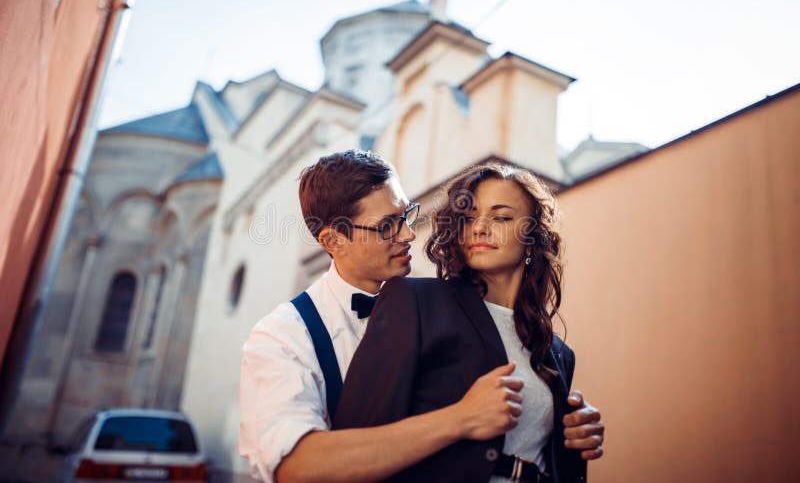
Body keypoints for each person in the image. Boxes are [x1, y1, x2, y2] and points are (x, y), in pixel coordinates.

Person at [240, 151, 603, 483]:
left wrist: (567, 431)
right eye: (387, 226)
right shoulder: (283, 335)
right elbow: (298, 467)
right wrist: (461, 418)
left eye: (406, 216)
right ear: (334, 241)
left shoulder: (545, 346)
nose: (409, 235)